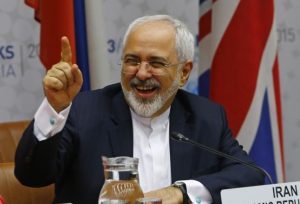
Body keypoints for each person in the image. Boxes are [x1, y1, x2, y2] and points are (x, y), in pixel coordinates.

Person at [15, 15, 264, 204]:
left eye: (156, 63)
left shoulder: (205, 117)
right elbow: (31, 175)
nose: (142, 74)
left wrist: (182, 192)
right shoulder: (84, 111)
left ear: (184, 72)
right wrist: (55, 108)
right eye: (132, 61)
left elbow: (250, 173)